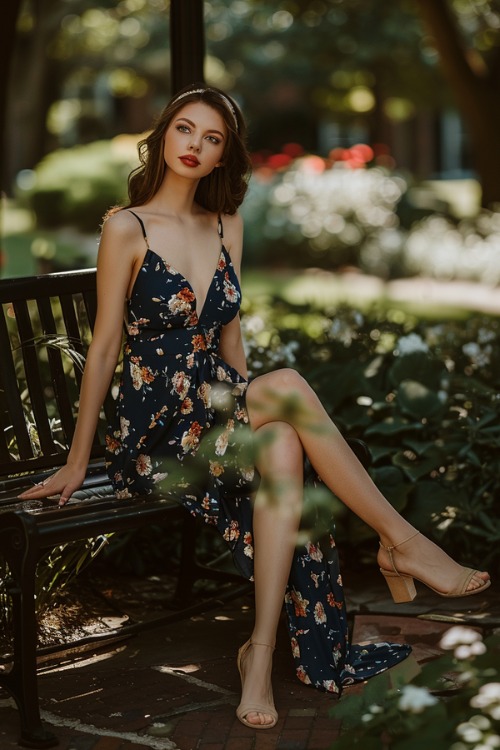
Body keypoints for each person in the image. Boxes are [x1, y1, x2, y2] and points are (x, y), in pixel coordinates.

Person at [19, 84, 490, 730]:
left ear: (222, 158)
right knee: (290, 388)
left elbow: (231, 341)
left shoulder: (225, 226)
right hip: (154, 434)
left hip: (213, 413)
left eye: (211, 139)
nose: (195, 146)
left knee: (283, 443)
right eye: (185, 130)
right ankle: (400, 541)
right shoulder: (125, 228)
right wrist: (79, 462)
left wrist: (253, 419)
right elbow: (103, 351)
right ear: (163, 138)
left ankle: (260, 654)